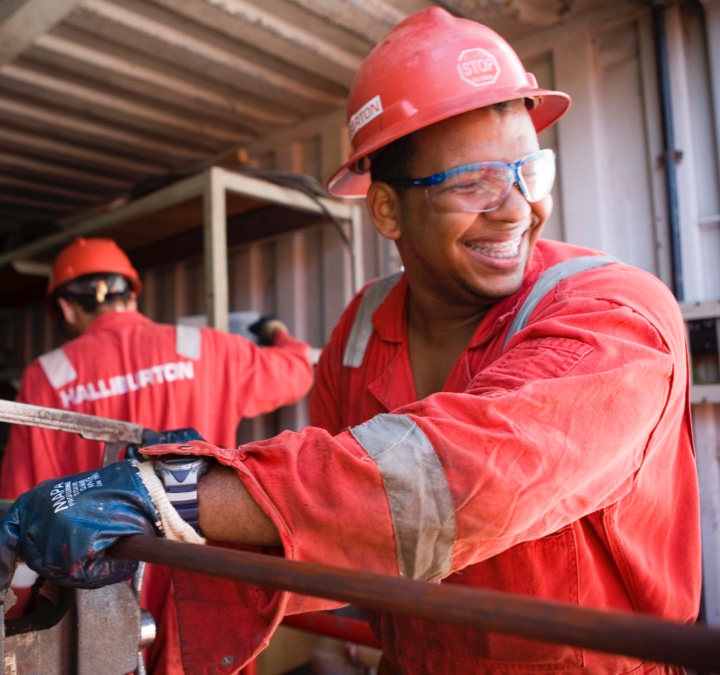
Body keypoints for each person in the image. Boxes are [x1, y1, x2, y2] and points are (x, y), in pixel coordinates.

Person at [0, 8, 702, 674]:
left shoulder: (614, 311)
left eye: (528, 170)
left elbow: (471, 475)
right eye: (475, 183)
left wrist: (175, 492)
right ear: (388, 208)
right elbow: (338, 528)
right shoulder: (362, 329)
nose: (519, 208)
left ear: (63, 304)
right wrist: (205, 506)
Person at [0, 236, 315, 674]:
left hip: (100, 577)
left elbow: (22, 497)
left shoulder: (47, 376)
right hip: (204, 563)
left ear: (68, 309)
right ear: (131, 293)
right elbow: (297, 372)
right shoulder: (210, 348)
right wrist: (276, 331)